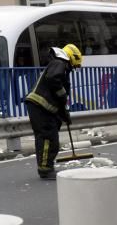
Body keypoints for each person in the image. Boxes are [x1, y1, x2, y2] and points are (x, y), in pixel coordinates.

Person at [25, 44, 83, 179]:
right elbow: (53, 80)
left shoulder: (59, 66)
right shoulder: (60, 63)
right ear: (72, 58)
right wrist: (63, 93)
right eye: (76, 65)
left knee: (48, 137)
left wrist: (65, 115)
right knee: (48, 138)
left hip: (41, 107)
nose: (75, 68)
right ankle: (45, 169)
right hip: (40, 106)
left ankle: (45, 167)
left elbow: (59, 100)